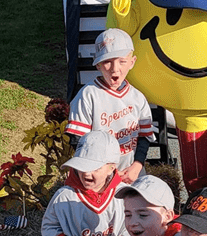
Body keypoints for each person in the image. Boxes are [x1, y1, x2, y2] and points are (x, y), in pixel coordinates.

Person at [65, 28, 155, 184]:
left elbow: (144, 137)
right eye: (107, 62)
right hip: (97, 175)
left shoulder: (138, 98)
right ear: (98, 65)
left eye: (122, 61)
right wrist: (104, 172)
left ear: (132, 62)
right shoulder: (88, 95)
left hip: (130, 173)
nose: (115, 69)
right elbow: (78, 141)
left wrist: (137, 165)